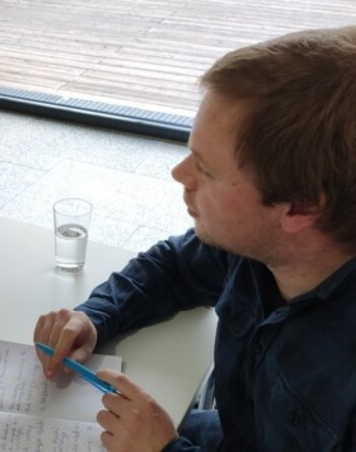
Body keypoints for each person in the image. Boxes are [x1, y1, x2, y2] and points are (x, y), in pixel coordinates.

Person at [34, 26, 356, 452]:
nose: (180, 175)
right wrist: (94, 317)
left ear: (298, 207)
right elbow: (175, 267)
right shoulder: (254, 246)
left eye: (206, 169)